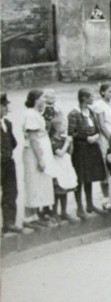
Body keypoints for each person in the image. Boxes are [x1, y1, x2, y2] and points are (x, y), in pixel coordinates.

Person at [68, 88, 107, 218]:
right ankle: (79, 207)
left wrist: (96, 135)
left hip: (92, 148)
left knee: (89, 176)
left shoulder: (90, 111)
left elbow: (97, 127)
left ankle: (90, 204)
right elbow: (71, 132)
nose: (93, 98)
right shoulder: (74, 113)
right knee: (80, 177)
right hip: (81, 148)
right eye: (91, 96)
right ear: (84, 98)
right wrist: (86, 138)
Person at [22, 90, 56, 229]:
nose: (45, 99)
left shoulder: (36, 114)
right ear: (36, 100)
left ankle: (35, 216)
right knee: (33, 184)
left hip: (41, 151)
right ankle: (28, 218)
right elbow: (33, 138)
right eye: (43, 97)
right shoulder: (30, 115)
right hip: (34, 154)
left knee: (41, 184)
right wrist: (40, 159)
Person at [43, 90, 76, 222]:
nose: (65, 127)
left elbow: (69, 152)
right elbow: (60, 153)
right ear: (56, 127)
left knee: (65, 189)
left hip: (65, 166)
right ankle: (55, 212)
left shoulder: (62, 138)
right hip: (57, 166)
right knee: (58, 190)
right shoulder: (53, 141)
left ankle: (64, 211)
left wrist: (69, 142)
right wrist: (67, 142)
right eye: (63, 125)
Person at [1, 93, 26, 234]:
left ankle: (9, 222)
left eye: (6, 105)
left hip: (8, 162)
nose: (6, 108)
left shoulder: (7, 123)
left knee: (10, 191)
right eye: (3, 105)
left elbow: (13, 143)